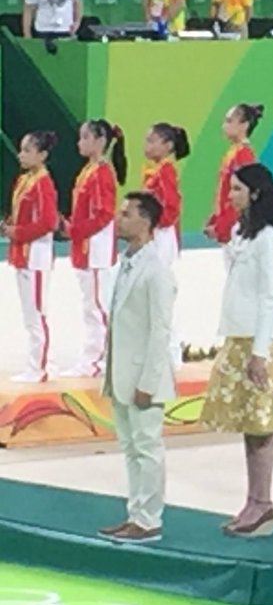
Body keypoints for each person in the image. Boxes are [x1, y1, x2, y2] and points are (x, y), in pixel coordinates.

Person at [200, 162, 273, 538]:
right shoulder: (239, 231)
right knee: (246, 424)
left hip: (256, 340)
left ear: (254, 193)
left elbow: (269, 297)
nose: (230, 194)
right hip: (236, 335)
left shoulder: (268, 238)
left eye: (237, 189)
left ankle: (264, 503)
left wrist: (260, 352)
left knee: (260, 422)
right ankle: (252, 500)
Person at [96, 191, 176, 545]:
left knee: (147, 447)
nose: (119, 218)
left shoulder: (156, 271)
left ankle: (149, 519)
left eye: (127, 214)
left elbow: (160, 331)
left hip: (144, 377)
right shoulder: (124, 264)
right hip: (120, 374)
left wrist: (149, 380)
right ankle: (135, 514)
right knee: (131, 448)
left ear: (145, 221)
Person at [61, 120, 127, 379]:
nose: (80, 143)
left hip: (96, 249)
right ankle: (95, 358)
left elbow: (103, 215)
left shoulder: (102, 173)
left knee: (99, 306)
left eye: (85, 138)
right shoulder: (89, 170)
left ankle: (97, 362)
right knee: (90, 305)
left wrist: (75, 230)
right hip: (85, 246)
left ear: (100, 141)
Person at [3, 132, 59, 383]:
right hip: (23, 253)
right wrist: (10, 225)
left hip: (36, 255)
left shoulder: (44, 184)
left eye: (27, 150)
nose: (20, 154)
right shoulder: (25, 180)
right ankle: (36, 363)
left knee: (36, 313)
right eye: (21, 149)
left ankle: (40, 367)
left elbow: (48, 222)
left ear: (42, 155)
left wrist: (19, 232)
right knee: (30, 314)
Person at [142, 122, 189, 292]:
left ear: (168, 145)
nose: (147, 146)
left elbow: (172, 204)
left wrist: (159, 223)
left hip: (162, 231)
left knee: (159, 278)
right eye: (146, 141)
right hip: (153, 229)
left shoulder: (166, 170)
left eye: (152, 141)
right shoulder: (154, 169)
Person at [205, 104, 262, 245]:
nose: (224, 126)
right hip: (229, 225)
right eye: (225, 121)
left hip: (236, 227)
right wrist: (215, 218)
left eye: (229, 121)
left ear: (244, 125)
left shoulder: (244, 155)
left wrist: (222, 226)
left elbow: (239, 197)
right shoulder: (233, 152)